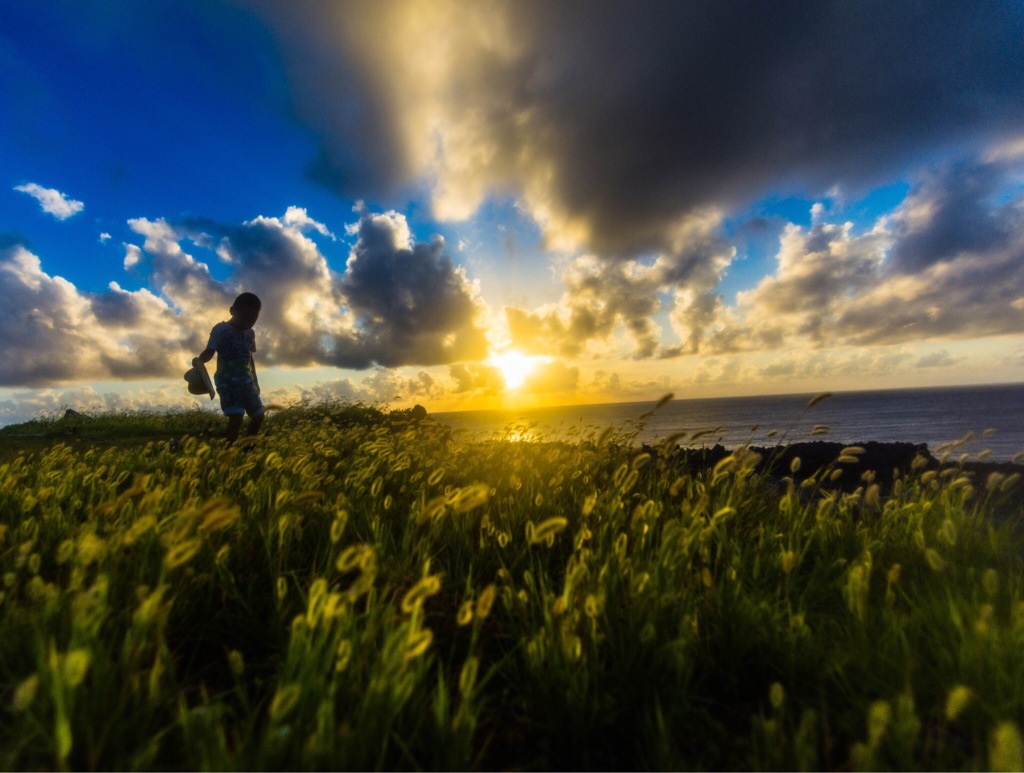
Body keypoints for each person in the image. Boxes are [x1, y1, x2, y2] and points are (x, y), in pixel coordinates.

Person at [193, 292, 264, 443]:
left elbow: (250, 358)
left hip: (247, 382)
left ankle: (247, 448)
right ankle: (228, 450)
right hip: (227, 383)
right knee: (236, 417)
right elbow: (209, 351)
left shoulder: (250, 334)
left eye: (253, 319)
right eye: (245, 317)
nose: (248, 322)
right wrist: (199, 361)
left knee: (259, 416)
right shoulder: (221, 330)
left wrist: (256, 381)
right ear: (232, 311)